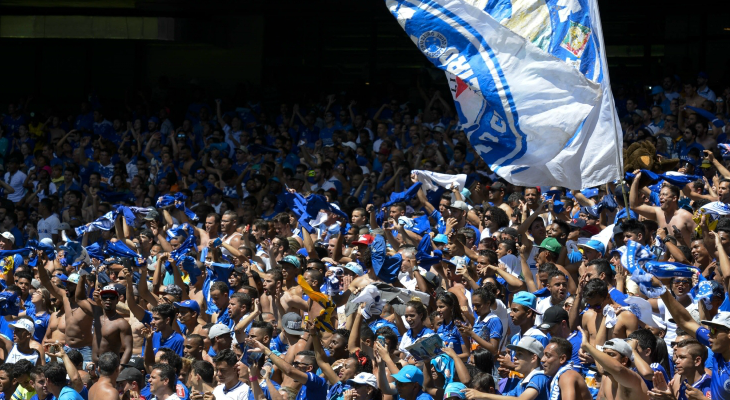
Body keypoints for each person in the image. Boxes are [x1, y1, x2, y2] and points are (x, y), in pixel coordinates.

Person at [577, 328, 649, 400]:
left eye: (611, 354)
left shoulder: (632, 378)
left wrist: (587, 346)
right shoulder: (607, 378)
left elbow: (618, 369)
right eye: (603, 354)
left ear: (624, 360)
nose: (604, 359)